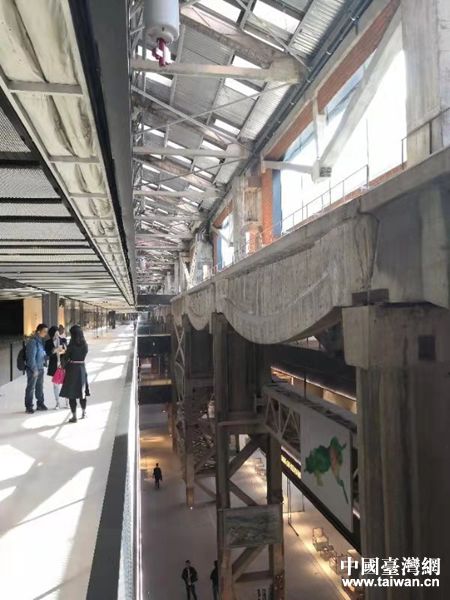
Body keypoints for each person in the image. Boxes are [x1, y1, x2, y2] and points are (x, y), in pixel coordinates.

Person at [60, 325, 89, 423]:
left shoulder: (71, 346)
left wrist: (63, 353)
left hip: (72, 370)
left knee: (71, 394)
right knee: (82, 392)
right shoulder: (85, 345)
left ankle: (74, 416)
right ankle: (84, 412)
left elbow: (65, 358)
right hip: (82, 369)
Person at [24, 323, 48, 414]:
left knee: (39, 387)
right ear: (38, 331)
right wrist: (34, 369)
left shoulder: (40, 341)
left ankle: (40, 404)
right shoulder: (32, 342)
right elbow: (31, 358)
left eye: (46, 332)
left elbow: (41, 353)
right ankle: (29, 406)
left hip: (40, 367)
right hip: (33, 369)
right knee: (31, 388)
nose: (45, 333)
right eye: (44, 331)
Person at [45, 326, 67, 410]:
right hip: (53, 365)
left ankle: (67, 402)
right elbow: (48, 354)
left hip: (63, 365)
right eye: (55, 331)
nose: (57, 333)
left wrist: (63, 350)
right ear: (52, 333)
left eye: (58, 331)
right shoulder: (48, 342)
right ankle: (57, 403)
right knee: (55, 385)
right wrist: (55, 350)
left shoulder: (63, 340)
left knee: (65, 384)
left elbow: (67, 352)